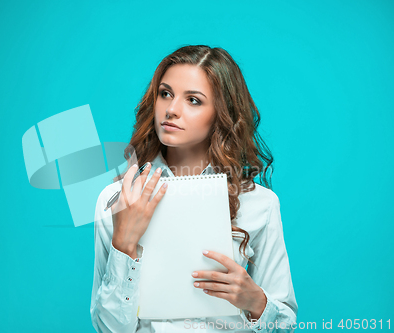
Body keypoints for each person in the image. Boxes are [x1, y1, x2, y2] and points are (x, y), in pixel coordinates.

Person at [90, 45, 298, 332]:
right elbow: (108, 328)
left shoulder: (260, 203)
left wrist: (256, 301)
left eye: (193, 100)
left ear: (221, 114)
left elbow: (285, 324)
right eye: (165, 93)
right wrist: (124, 245)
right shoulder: (117, 199)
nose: (172, 110)